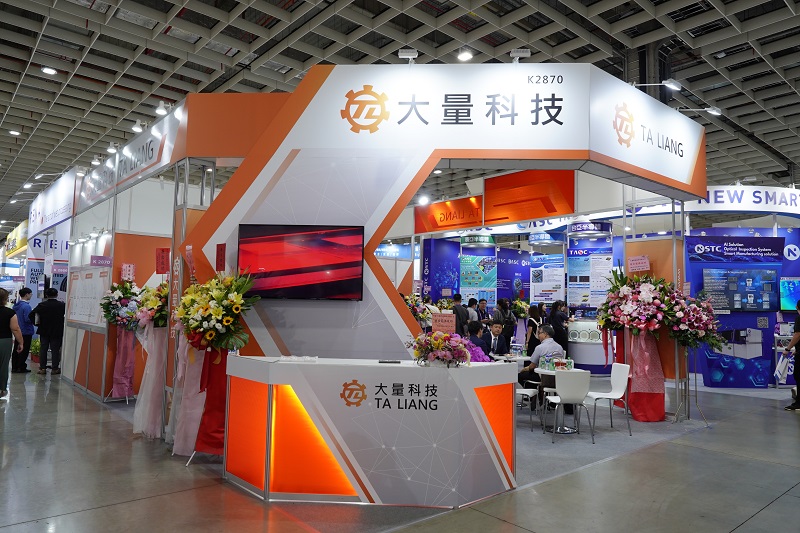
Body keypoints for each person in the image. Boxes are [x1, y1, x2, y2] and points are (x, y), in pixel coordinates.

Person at [30, 287, 66, 375]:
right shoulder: (62, 305)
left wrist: (37, 324)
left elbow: (31, 315)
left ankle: (42, 368)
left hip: (44, 330)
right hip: (57, 331)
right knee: (55, 350)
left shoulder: (42, 305)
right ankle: (55, 368)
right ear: (57, 295)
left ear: (46, 295)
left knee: (43, 349)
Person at [0, 288, 25, 398]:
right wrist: (21, 342)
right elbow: (15, 328)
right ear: (5, 299)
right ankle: (1, 389)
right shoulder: (9, 312)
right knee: (3, 365)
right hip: (4, 341)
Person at [782, 299, 800, 411]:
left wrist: (787, 349)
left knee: (798, 376)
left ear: (797, 307)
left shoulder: (799, 318)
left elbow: (798, 335)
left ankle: (799, 403)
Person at [11, 287, 34, 373]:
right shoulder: (27, 307)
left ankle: (14, 366)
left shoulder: (15, 306)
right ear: (27, 294)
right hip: (26, 331)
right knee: (24, 350)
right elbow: (28, 319)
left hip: (17, 330)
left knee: (16, 349)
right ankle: (21, 367)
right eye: (30, 294)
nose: (31, 295)